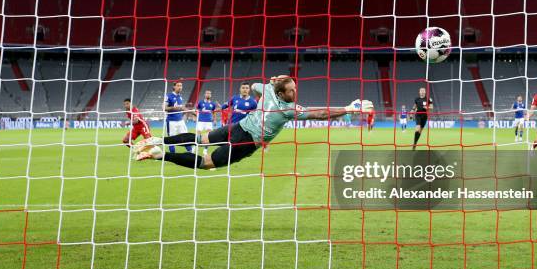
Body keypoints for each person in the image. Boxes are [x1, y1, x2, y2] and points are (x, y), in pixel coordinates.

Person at [133, 76, 373, 170]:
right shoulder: (287, 109)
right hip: (246, 141)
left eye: (295, 88)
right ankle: (157, 153)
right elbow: (319, 114)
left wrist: (272, 82)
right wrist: (349, 108)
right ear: (282, 94)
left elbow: (259, 86)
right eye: (291, 90)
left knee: (200, 139)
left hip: (238, 127)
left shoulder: (268, 89)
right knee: (206, 163)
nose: (295, 92)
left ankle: (157, 141)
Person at [164, 81, 192, 153]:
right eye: (178, 85)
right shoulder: (168, 96)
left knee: (186, 137)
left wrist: (193, 113)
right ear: (174, 87)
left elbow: (181, 108)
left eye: (181, 86)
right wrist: (174, 108)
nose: (180, 87)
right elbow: (164, 108)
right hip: (171, 121)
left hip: (180, 121)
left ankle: (191, 153)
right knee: (171, 139)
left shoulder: (180, 97)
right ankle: (173, 156)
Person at [196, 90, 218, 156]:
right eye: (207, 93)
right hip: (200, 121)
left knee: (208, 136)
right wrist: (195, 117)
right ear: (204, 95)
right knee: (198, 136)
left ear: (211, 95)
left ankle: (205, 150)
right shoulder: (200, 102)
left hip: (209, 122)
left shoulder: (213, 104)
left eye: (209, 93)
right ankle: (196, 147)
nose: (208, 94)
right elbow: (196, 110)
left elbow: (214, 112)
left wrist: (214, 120)